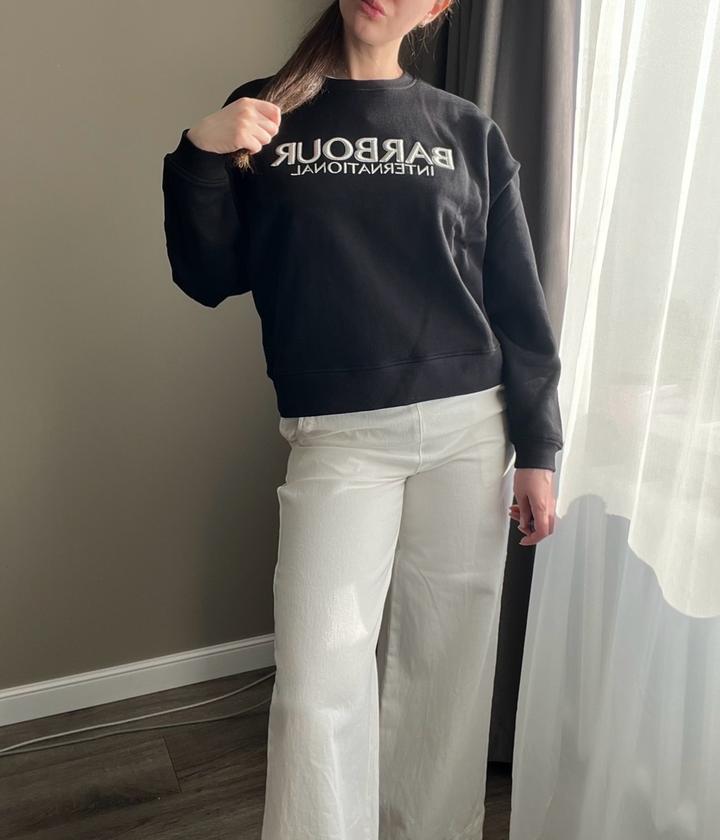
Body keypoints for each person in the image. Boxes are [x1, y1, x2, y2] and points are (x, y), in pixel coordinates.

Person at [161, 1, 563, 837]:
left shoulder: (468, 131)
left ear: (438, 6)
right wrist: (200, 153)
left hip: (469, 428)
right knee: (317, 687)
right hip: (339, 437)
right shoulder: (268, 110)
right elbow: (208, 276)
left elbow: (517, 300)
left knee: (446, 673)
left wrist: (539, 445)